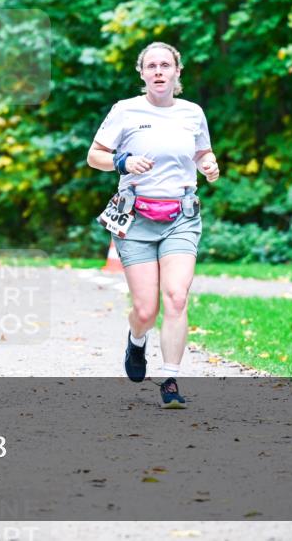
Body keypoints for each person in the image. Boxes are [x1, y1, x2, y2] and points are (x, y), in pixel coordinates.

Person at [87, 41, 220, 409]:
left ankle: (171, 379)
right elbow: (94, 156)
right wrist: (123, 162)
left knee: (176, 296)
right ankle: (137, 339)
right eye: (151, 66)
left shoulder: (192, 113)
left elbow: (202, 152)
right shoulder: (125, 110)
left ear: (177, 71)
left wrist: (209, 164)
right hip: (136, 218)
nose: (159, 71)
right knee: (146, 310)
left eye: (165, 65)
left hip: (181, 216)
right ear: (142, 73)